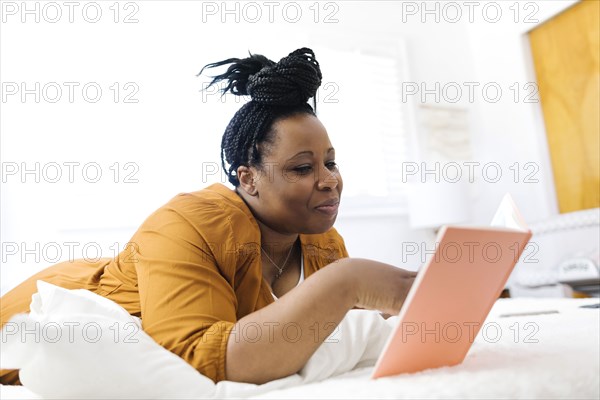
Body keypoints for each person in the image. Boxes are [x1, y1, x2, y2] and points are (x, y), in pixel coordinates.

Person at [0, 48, 416, 385]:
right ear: (248, 179)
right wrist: (349, 282)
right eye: (303, 168)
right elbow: (198, 362)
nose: (329, 181)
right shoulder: (187, 223)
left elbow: (327, 327)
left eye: (331, 163)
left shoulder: (321, 240)